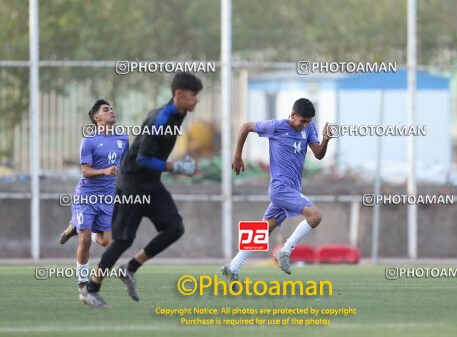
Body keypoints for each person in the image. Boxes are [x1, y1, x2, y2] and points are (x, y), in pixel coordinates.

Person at [79, 72, 203, 308]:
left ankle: (130, 268)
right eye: (193, 95)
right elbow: (144, 158)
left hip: (151, 183)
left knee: (175, 227)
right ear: (178, 95)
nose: (196, 100)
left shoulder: (180, 112)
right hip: (132, 184)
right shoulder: (161, 119)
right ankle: (91, 289)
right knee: (123, 240)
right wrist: (174, 166)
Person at [221, 98, 331, 287]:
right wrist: (237, 156)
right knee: (315, 216)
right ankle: (285, 251)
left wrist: (326, 139)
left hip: (291, 189)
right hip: (280, 189)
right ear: (292, 114)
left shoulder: (309, 128)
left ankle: (233, 267)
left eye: (309, 121)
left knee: (264, 231)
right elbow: (246, 127)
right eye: (302, 120)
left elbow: (318, 154)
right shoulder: (276, 127)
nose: (305, 125)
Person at [59, 99, 129, 291]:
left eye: (112, 109)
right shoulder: (89, 140)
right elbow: (85, 171)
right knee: (86, 239)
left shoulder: (123, 139)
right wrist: (104, 171)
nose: (112, 111)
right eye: (106, 110)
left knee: (107, 242)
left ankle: (77, 226)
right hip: (87, 196)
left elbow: (124, 168)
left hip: (108, 198)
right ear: (97, 117)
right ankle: (83, 281)